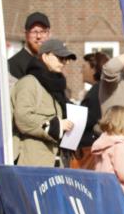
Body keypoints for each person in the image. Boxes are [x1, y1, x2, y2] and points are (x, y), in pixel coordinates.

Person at [11, 38, 76, 167]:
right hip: (32, 163)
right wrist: (56, 126)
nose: (64, 62)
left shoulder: (58, 88)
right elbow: (23, 118)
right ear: (45, 57)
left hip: (56, 163)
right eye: (60, 57)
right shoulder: (29, 83)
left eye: (66, 59)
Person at [72, 51, 109, 169]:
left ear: (94, 69)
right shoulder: (101, 90)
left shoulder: (96, 92)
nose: (81, 71)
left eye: (84, 67)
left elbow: (88, 119)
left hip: (88, 150)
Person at [8, 12, 51, 80]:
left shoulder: (51, 61)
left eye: (43, 31)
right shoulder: (13, 64)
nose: (39, 36)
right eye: (34, 32)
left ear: (48, 34)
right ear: (26, 34)